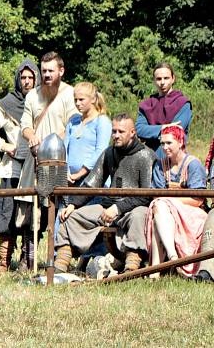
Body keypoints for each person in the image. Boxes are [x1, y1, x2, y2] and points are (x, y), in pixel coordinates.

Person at [53, 114, 156, 273]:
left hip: (135, 207)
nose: (116, 135)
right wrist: (73, 204)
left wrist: (118, 208)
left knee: (139, 216)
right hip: (108, 206)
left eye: (121, 131)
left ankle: (132, 267)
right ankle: (59, 266)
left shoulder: (146, 156)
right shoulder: (109, 152)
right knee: (72, 217)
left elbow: (147, 195)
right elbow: (92, 184)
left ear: (133, 133)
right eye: (114, 131)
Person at [18, 51, 77, 270]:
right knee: (28, 212)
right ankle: (28, 258)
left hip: (59, 160)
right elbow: (25, 124)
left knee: (57, 207)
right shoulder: (32, 95)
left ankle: (57, 259)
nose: (47, 75)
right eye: (43, 71)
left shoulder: (70, 94)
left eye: (51, 70)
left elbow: (72, 125)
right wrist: (31, 136)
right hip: (34, 160)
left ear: (61, 71)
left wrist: (53, 142)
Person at [0, 60, 38, 272]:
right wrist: (4, 145)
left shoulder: (43, 101)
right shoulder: (8, 103)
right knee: (8, 213)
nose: (27, 82)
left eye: (31, 78)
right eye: (23, 77)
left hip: (36, 167)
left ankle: (27, 259)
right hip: (13, 168)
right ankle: (4, 260)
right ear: (18, 79)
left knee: (31, 215)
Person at [146, 124, 207, 278]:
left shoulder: (192, 164)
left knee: (160, 206)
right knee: (159, 210)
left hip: (192, 213)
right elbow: (156, 194)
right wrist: (168, 203)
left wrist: (171, 201)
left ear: (180, 142)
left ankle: (159, 267)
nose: (165, 147)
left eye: (169, 143)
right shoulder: (160, 165)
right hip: (165, 211)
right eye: (162, 143)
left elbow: (198, 199)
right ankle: (168, 261)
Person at [136, 62, 191, 156]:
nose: (162, 82)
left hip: (174, 160)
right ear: (154, 81)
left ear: (173, 79)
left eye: (166, 78)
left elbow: (174, 131)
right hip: (149, 158)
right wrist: (162, 128)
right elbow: (139, 129)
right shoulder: (146, 105)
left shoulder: (183, 103)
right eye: (158, 79)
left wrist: (151, 132)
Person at [64, 82, 112, 186]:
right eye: (75, 100)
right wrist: (66, 172)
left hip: (93, 181)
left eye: (81, 99)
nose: (77, 103)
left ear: (93, 99)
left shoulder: (102, 121)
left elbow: (100, 151)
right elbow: (65, 148)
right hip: (71, 181)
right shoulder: (73, 121)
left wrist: (80, 173)